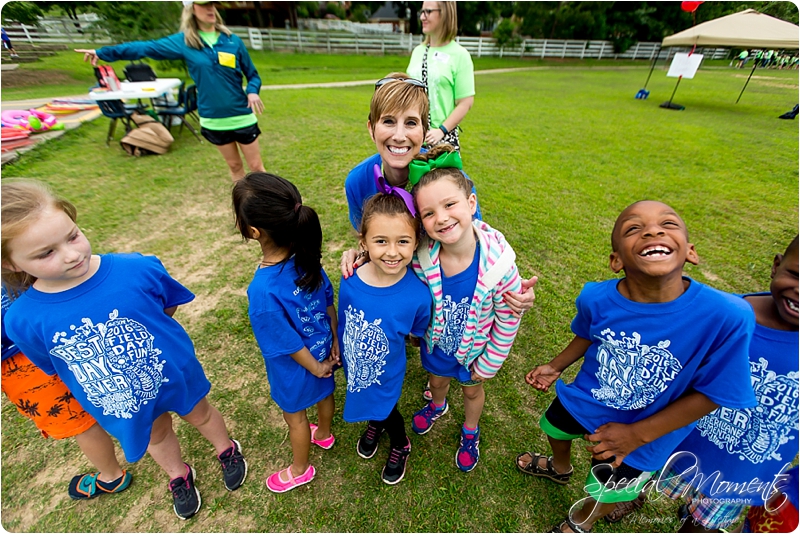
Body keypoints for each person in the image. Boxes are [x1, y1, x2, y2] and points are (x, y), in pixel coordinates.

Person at [1, 180, 247, 520]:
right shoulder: (21, 319)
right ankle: (178, 474)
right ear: (11, 264)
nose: (72, 254)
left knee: (200, 413)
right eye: (46, 253)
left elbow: (165, 307)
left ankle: (226, 449)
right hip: (121, 396)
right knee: (156, 434)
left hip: (172, 372)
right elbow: (55, 362)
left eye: (72, 235)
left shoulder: (136, 267)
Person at [515, 200, 757, 534]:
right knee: (554, 428)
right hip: (587, 400)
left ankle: (581, 521)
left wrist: (635, 436)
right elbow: (587, 334)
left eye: (668, 224)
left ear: (690, 251)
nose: (653, 230)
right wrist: (555, 366)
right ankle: (560, 467)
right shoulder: (595, 298)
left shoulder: (727, 316)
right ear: (616, 260)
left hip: (648, 431)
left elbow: (714, 393)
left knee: (607, 488)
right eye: (633, 228)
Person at [647, 235, 799, 533]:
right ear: (777, 266)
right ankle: (634, 498)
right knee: (649, 477)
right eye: (796, 274)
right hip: (683, 438)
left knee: (702, 525)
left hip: (744, 468)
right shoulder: (730, 314)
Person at [407, 144, 522, 473]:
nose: (441, 217)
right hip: (436, 347)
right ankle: (438, 405)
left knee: (472, 394)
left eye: (450, 204)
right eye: (428, 213)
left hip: (476, 355)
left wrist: (488, 364)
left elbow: (507, 321)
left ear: (471, 203)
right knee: (437, 382)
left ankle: (470, 431)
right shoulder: (422, 257)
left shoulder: (500, 264)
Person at [232, 172, 339, 493]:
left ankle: (300, 468)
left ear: (252, 231)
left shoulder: (263, 290)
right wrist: (332, 342)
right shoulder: (308, 259)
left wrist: (315, 367)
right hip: (324, 352)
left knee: (296, 419)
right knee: (326, 395)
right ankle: (324, 434)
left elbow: (285, 342)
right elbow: (329, 302)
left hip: (297, 370)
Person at [75, 0, 265, 181]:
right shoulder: (185, 42)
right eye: (205, 5)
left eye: (213, 4)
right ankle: (244, 210)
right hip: (214, 119)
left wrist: (253, 91)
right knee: (234, 166)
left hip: (241, 114)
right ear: (191, 9)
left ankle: (271, 208)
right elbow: (145, 48)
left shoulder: (233, 41)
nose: (211, 9)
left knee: (256, 167)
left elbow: (253, 75)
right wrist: (102, 53)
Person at [338, 172, 432, 484]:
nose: (392, 252)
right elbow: (345, 318)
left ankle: (400, 443)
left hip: (386, 372)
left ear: (415, 242)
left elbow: (417, 333)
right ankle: (374, 423)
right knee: (368, 402)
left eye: (403, 241)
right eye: (381, 241)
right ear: (363, 242)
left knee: (386, 409)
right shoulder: (350, 278)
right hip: (354, 364)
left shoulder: (418, 296)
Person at [2, 286, 132, 500]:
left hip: (20, 365)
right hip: (57, 331)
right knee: (106, 386)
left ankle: (111, 477)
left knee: (80, 423)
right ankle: (153, 436)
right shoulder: (12, 258)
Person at [407, 1, 474, 153]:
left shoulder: (460, 55)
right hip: (413, 136)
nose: (422, 17)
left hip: (440, 139)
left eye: (428, 12)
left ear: (444, 13)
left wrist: (441, 131)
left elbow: (465, 102)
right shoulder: (418, 51)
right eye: (422, 11)